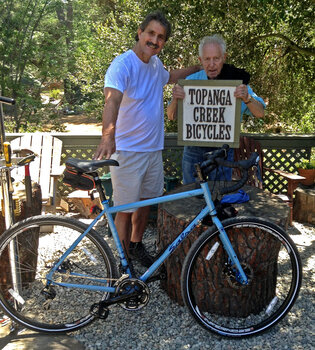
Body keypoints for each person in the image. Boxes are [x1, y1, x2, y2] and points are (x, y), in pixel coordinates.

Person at [94, 11, 200, 268]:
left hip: (153, 151)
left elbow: (171, 76)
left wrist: (197, 68)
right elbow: (112, 100)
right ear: (140, 33)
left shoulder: (156, 66)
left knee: (145, 204)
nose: (154, 40)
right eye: (151, 33)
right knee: (125, 208)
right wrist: (108, 136)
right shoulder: (122, 65)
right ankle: (122, 261)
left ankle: (135, 244)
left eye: (160, 37)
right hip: (128, 152)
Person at [167, 34, 266, 184]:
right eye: (207, 59)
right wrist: (175, 99)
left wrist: (247, 98)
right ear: (200, 60)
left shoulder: (235, 81)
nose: (211, 64)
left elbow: (260, 113)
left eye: (216, 58)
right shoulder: (190, 82)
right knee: (191, 197)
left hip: (223, 151)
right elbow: (170, 115)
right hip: (193, 150)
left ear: (224, 58)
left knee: (219, 196)